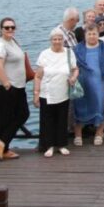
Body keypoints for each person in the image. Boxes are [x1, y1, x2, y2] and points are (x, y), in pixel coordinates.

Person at [33, 29, 78, 157]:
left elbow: (75, 69)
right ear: (50, 40)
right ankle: (49, 146)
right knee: (48, 120)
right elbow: (38, 76)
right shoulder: (44, 54)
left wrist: (74, 77)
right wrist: (36, 93)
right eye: (54, 39)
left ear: (63, 40)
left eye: (59, 39)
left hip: (63, 92)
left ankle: (61, 144)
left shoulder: (69, 53)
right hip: (46, 92)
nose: (57, 41)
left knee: (62, 119)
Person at [0, 17, 30, 161]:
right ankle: (3, 143)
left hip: (18, 86)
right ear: (1, 29)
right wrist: (7, 83)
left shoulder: (12, 42)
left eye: (12, 27)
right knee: (19, 114)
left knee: (7, 117)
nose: (10, 30)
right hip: (5, 87)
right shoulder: (0, 45)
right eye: (6, 27)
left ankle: (3, 146)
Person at [73, 26, 104, 146]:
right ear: (85, 35)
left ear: (98, 34)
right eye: (89, 34)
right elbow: (73, 66)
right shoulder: (78, 48)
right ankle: (78, 134)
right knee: (80, 106)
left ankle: (99, 133)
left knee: (101, 106)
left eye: (94, 34)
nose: (92, 36)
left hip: (101, 82)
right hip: (83, 82)